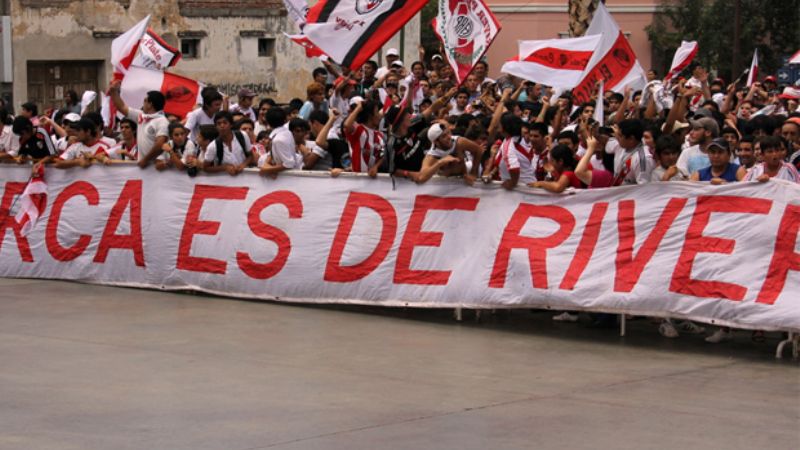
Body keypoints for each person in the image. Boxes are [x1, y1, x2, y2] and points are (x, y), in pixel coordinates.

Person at [109, 79, 170, 168]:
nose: (143, 103)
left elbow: (160, 144)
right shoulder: (141, 116)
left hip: (157, 168)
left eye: (145, 101)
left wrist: (145, 160)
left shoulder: (162, 121)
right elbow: (122, 107)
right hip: (144, 166)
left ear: (150, 104)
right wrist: (113, 91)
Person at [417, 122, 482, 184]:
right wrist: (440, 162)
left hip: (464, 177)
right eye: (444, 136)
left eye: (448, 133)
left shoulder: (459, 142)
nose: (449, 137)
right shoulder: (432, 156)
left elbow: (478, 150)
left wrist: (473, 173)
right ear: (436, 142)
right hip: (445, 182)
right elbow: (422, 177)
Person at [202, 111, 253, 175]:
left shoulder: (242, 135)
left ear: (231, 125)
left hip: (245, 177)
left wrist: (243, 165)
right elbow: (205, 167)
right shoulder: (213, 146)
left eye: (225, 123)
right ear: (216, 127)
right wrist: (224, 167)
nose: (222, 126)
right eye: (219, 123)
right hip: (224, 180)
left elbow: (250, 156)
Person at [343, 99, 384, 177]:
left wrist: (376, 166)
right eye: (377, 112)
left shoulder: (380, 136)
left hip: (372, 180)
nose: (379, 116)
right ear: (370, 115)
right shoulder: (358, 130)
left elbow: (382, 155)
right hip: (356, 179)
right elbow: (346, 125)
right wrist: (358, 108)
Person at [607, 119, 654, 185]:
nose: (617, 137)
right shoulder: (623, 145)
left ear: (631, 139)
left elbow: (643, 187)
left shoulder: (643, 158)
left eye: (620, 135)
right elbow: (607, 148)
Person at [260, 106, 301, 178]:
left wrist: (268, 169)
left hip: (286, 178)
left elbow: (289, 163)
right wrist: (268, 166)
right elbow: (272, 154)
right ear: (285, 120)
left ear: (268, 121)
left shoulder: (278, 140)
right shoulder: (286, 132)